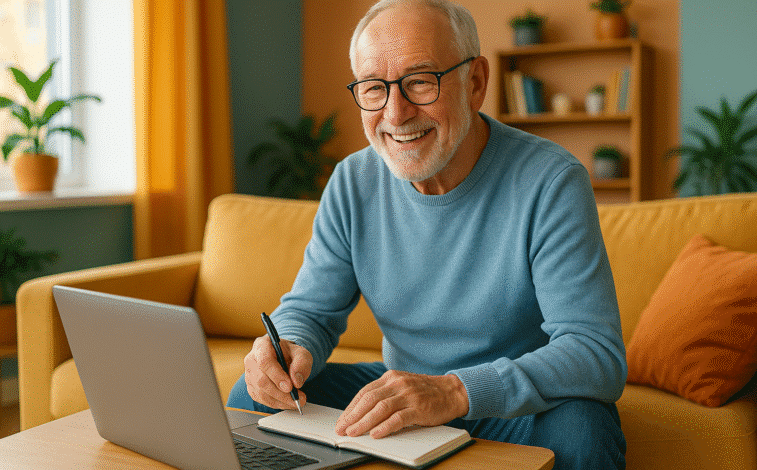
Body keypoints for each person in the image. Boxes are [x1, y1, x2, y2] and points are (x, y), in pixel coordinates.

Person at [227, 0, 627, 468]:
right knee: (250, 398)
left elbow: (595, 354)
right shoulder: (353, 181)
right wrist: (286, 349)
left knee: (584, 429)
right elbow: (311, 311)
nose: (395, 114)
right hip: (406, 393)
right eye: (375, 88)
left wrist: (455, 391)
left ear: (475, 82)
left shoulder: (551, 180)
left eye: (420, 81)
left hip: (513, 404)